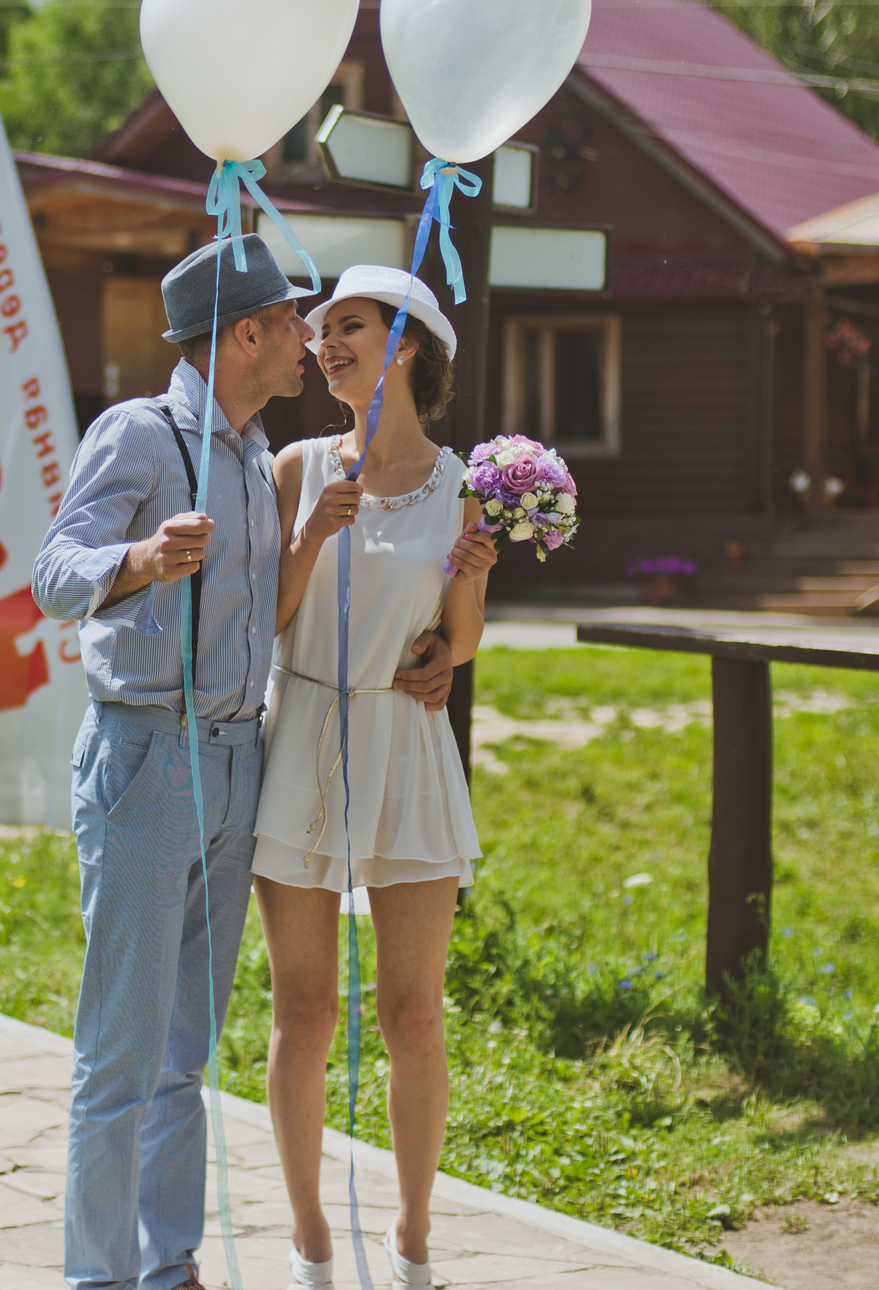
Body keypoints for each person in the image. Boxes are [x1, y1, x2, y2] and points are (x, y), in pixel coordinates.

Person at [34, 238, 458, 1290]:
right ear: (247, 333)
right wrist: (135, 559)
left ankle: (168, 1264)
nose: (309, 338)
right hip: (145, 756)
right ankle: (99, 1276)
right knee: (121, 1051)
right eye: (294, 320)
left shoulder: (252, 451)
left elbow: (292, 613)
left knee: (185, 1051)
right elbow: (52, 570)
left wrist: (438, 646)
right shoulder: (140, 432)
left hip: (238, 763)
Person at [252, 265, 499, 1290]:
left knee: (413, 1011)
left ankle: (411, 1237)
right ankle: (310, 1237)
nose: (322, 343)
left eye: (346, 326)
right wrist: (311, 534)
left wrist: (468, 599)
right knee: (303, 1009)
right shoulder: (294, 465)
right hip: (301, 727)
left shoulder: (462, 484)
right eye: (319, 332)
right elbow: (259, 618)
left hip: (404, 743)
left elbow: (454, 644)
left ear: (405, 342)